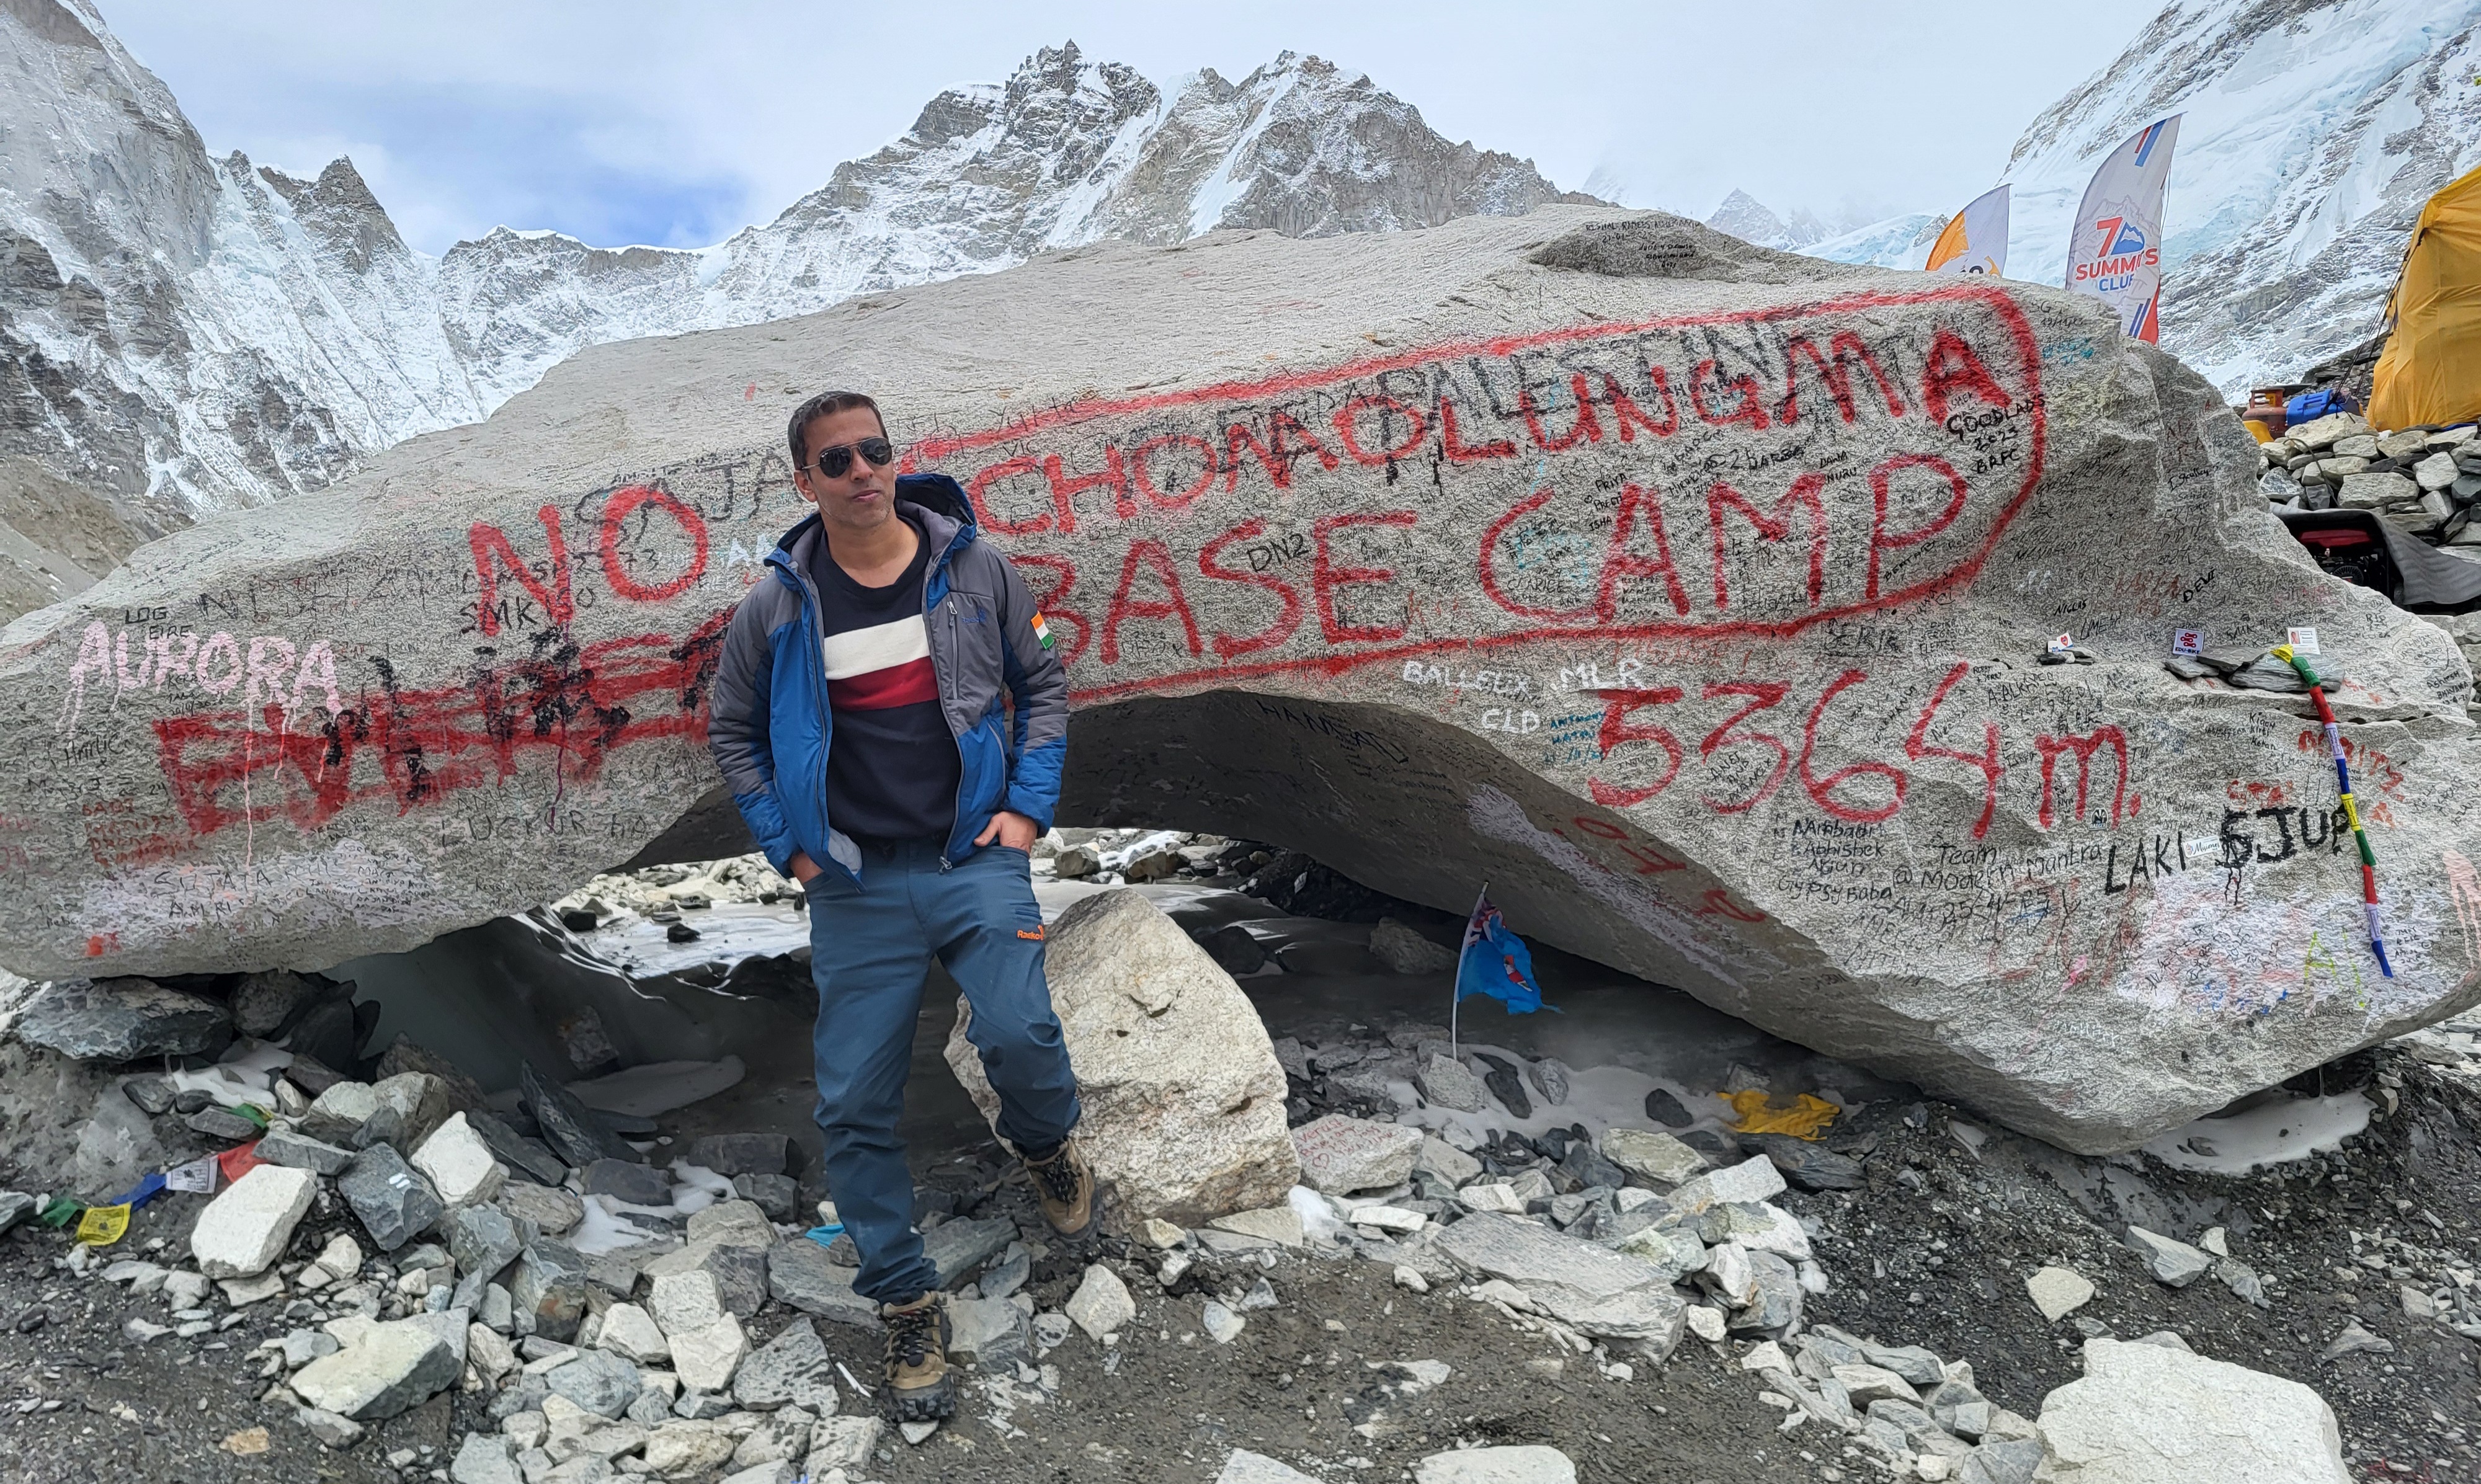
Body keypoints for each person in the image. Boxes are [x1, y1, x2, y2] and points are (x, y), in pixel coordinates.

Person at [708, 390, 1090, 1422]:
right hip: (855, 882)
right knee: (853, 1103)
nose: (862, 469)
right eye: (836, 460)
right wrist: (786, 845)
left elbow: (1042, 684)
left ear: (896, 456)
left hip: (973, 854)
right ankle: (905, 1300)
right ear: (806, 483)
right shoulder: (779, 606)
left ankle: (1048, 1143)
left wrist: (1025, 815)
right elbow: (732, 727)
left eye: (875, 449)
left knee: (1020, 1029)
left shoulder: (975, 567)